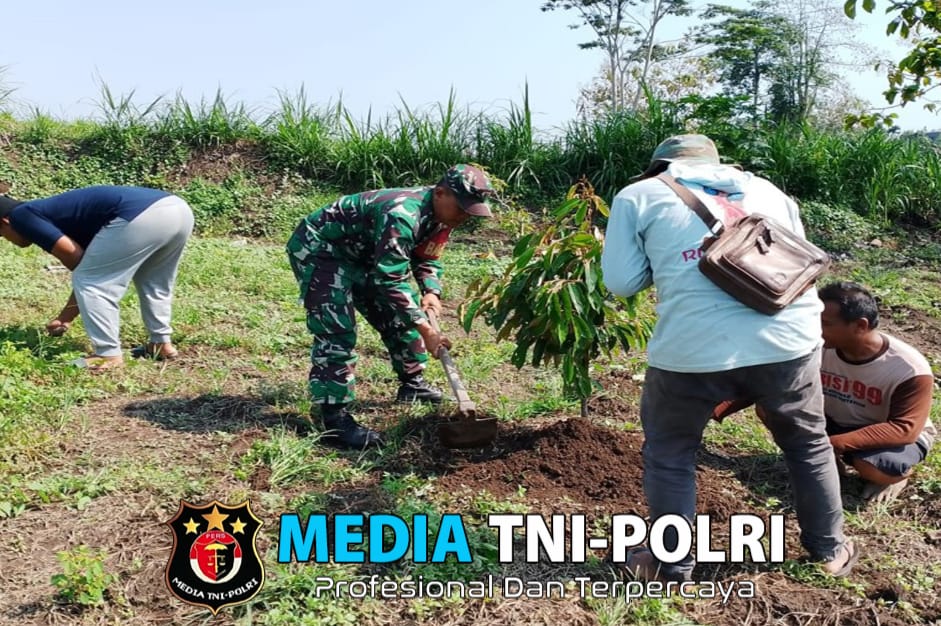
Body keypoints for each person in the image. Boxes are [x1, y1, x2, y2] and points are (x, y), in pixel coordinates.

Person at [600, 134, 856, 582]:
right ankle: (828, 550)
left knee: (671, 452)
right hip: (790, 339)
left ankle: (669, 562)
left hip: (694, 347)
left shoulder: (638, 195)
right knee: (806, 442)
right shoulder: (769, 191)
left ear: (660, 165)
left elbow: (621, 283)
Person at [286, 164, 496, 448]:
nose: (464, 216)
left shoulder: (444, 218)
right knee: (337, 328)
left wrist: (431, 292)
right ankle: (333, 420)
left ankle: (413, 385)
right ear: (441, 193)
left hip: (366, 255)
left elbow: (427, 258)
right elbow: (391, 280)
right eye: (461, 207)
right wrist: (426, 329)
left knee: (398, 319)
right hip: (323, 249)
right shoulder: (402, 214)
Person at [0, 186, 194, 370]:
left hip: (141, 215)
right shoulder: (54, 214)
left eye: (1, 234)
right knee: (154, 281)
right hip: (177, 209)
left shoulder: (21, 216)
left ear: (5, 222)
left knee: (92, 281)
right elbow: (88, 266)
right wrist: (64, 319)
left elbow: (78, 262)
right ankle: (160, 344)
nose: (6, 239)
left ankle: (107, 355)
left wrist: (66, 315)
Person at [818, 281, 936, 504]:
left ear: (860, 326)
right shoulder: (820, 347)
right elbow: (769, 384)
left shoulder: (908, 368)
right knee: (771, 409)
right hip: (837, 421)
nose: (816, 329)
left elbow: (904, 429)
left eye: (825, 323)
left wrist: (831, 444)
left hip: (890, 436)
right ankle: (830, 459)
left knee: (872, 468)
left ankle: (898, 476)